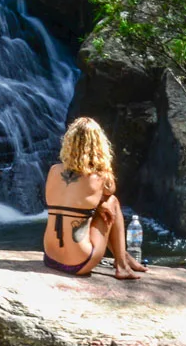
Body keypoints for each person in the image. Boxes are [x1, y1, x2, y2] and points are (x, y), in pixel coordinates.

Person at [42, 117, 148, 279]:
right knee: (111, 202)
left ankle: (124, 256)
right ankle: (121, 264)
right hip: (79, 263)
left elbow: (70, 198)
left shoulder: (54, 170)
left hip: (50, 258)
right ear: (99, 144)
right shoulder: (100, 176)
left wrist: (96, 204)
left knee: (99, 206)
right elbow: (108, 192)